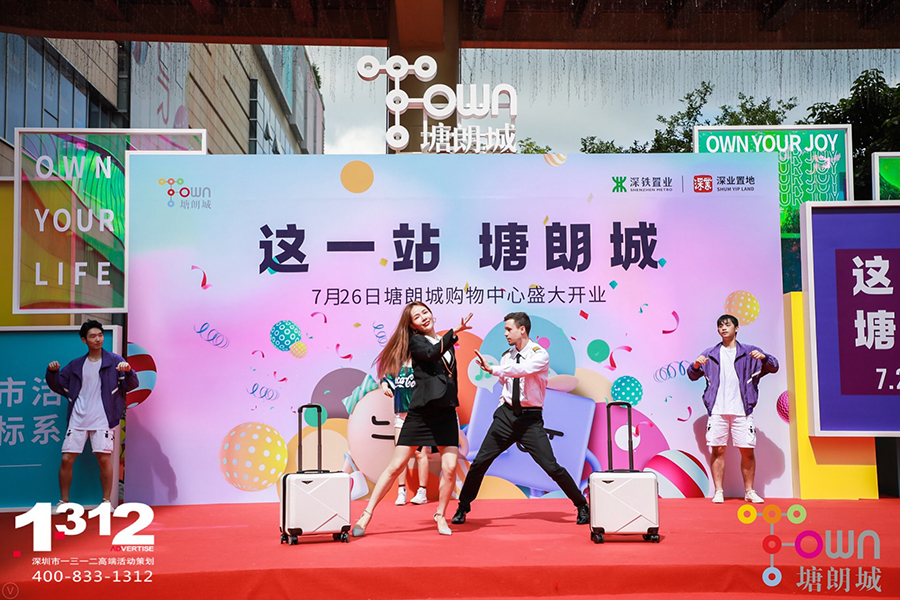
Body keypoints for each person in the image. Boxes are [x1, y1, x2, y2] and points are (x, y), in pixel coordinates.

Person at [451, 312, 590, 526]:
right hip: (506, 417)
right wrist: (502, 407)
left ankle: (581, 505)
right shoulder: (507, 356)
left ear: (522, 329)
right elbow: (506, 385)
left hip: (530, 420)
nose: (505, 334)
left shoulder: (539, 354)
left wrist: (493, 369)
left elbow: (522, 371)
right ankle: (463, 507)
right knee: (479, 462)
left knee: (551, 466)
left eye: (509, 329)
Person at [353, 302, 472, 537]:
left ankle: (440, 515)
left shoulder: (444, 343)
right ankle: (366, 514)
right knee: (396, 466)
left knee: (450, 468)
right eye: (417, 316)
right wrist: (455, 331)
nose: (423, 317)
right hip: (422, 414)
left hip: (446, 413)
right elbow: (431, 353)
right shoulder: (416, 343)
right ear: (412, 325)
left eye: (425, 312)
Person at [46, 320, 139, 511]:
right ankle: (64, 502)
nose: (98, 339)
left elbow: (132, 385)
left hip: (103, 418)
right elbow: (58, 385)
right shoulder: (76, 365)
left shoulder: (115, 361)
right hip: (78, 418)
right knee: (66, 459)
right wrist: (52, 372)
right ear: (84, 340)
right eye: (93, 336)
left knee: (104, 459)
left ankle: (106, 502)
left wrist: (129, 372)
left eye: (100, 335)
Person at [687, 314, 779, 504]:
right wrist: (695, 365)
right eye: (720, 326)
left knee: (747, 451)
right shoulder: (710, 353)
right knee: (718, 450)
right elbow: (692, 375)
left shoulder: (750, 352)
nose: (723, 328)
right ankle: (719, 491)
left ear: (736, 328)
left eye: (727, 325)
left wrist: (765, 358)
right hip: (717, 409)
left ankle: (749, 491)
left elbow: (774, 367)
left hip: (742, 410)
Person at [380, 359, 431, 506]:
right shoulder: (396, 364)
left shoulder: (421, 363)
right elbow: (386, 379)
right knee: (400, 455)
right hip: (400, 416)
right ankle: (401, 491)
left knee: (420, 453)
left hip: (419, 415)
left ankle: (422, 492)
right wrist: (385, 386)